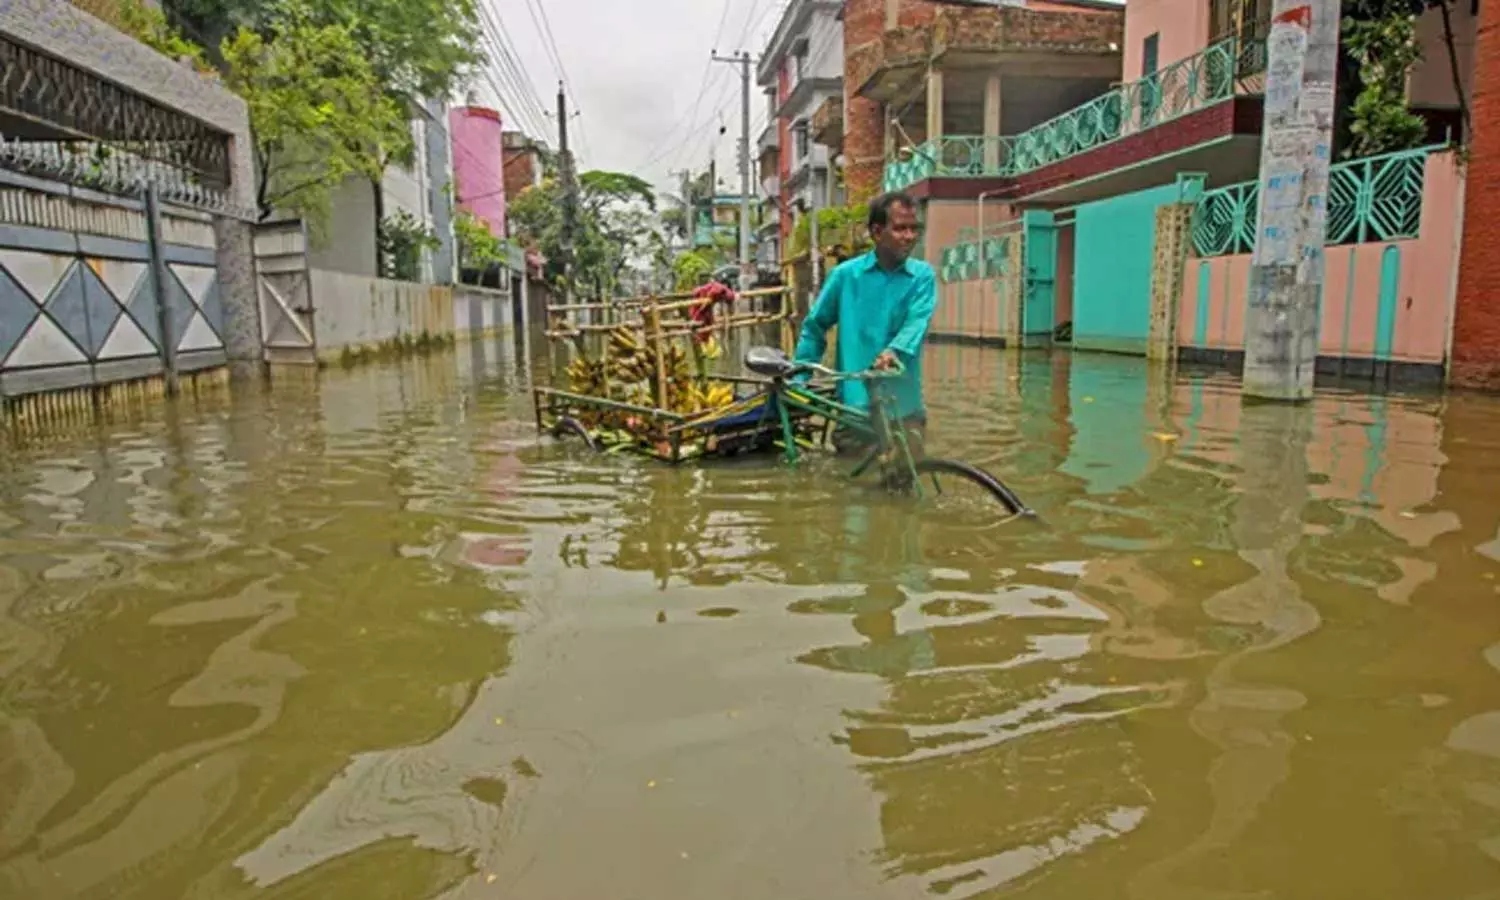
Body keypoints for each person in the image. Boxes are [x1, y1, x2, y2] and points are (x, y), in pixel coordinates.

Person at [792, 191, 936, 456]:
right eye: (900, 229)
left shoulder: (922, 276)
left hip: (905, 407)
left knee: (910, 475)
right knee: (852, 479)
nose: (909, 236)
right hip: (855, 408)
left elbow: (917, 322)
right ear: (877, 232)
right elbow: (814, 327)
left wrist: (894, 352)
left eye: (913, 228)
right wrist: (799, 378)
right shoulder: (845, 276)